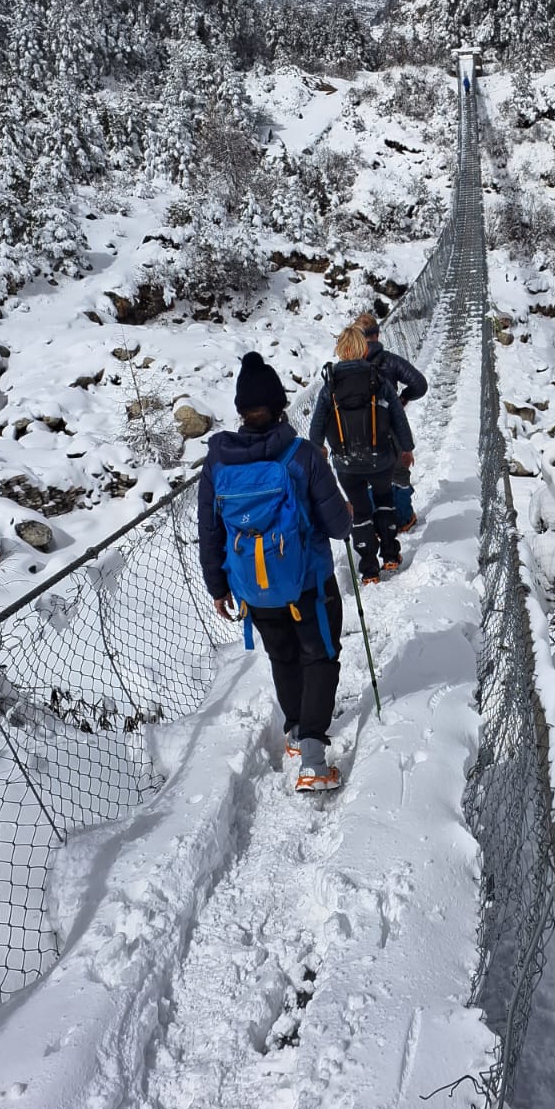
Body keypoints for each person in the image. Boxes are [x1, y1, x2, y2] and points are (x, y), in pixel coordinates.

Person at [198, 351, 351, 793]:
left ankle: (295, 730)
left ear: (242, 410)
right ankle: (314, 760)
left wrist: (218, 585)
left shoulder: (218, 463)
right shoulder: (300, 456)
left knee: (283, 656)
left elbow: (209, 528)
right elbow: (339, 527)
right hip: (307, 582)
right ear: (281, 406)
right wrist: (344, 511)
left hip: (253, 589)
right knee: (319, 656)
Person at [310, 325, 414, 585]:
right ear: (363, 348)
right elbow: (398, 418)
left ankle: (369, 570)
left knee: (359, 511)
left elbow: (317, 427)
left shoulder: (330, 385)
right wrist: (407, 448)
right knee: (384, 499)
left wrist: (318, 448)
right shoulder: (377, 378)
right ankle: (390, 555)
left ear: (340, 351)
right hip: (381, 458)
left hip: (347, 463)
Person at [354, 310, 427, 531]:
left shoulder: (348, 366)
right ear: (376, 334)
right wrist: (403, 398)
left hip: (360, 432)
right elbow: (419, 384)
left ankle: (378, 526)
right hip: (391, 428)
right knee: (399, 474)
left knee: (369, 478)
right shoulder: (390, 361)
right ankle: (404, 520)